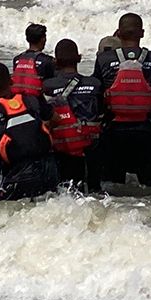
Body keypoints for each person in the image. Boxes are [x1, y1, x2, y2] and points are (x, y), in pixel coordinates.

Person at [92, 13, 151, 187]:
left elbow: (98, 92)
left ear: (118, 33)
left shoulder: (104, 59)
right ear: (142, 33)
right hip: (146, 130)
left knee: (112, 191)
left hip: (113, 131)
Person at [0, 62, 58, 201]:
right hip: (49, 171)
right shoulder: (31, 99)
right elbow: (56, 119)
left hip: (18, 177)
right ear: (11, 80)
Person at [42, 38, 104, 192]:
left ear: (55, 62)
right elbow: (102, 113)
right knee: (94, 192)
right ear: (79, 58)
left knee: (65, 193)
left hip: (63, 148)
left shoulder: (47, 86)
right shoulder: (95, 84)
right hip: (91, 148)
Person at [11, 23, 55, 97]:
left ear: (27, 39)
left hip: (17, 102)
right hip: (37, 103)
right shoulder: (47, 61)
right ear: (43, 39)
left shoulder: (17, 60)